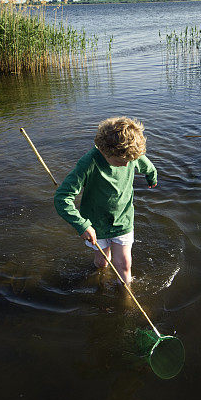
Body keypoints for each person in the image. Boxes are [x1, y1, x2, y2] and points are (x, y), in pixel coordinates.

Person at [54, 117, 157, 285]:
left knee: (124, 264)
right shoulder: (88, 163)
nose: (126, 166)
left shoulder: (129, 155)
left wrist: (152, 177)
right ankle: (100, 279)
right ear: (106, 150)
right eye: (120, 162)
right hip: (96, 224)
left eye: (129, 162)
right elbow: (62, 198)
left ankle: (126, 295)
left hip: (123, 220)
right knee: (102, 261)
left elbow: (148, 166)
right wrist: (82, 225)